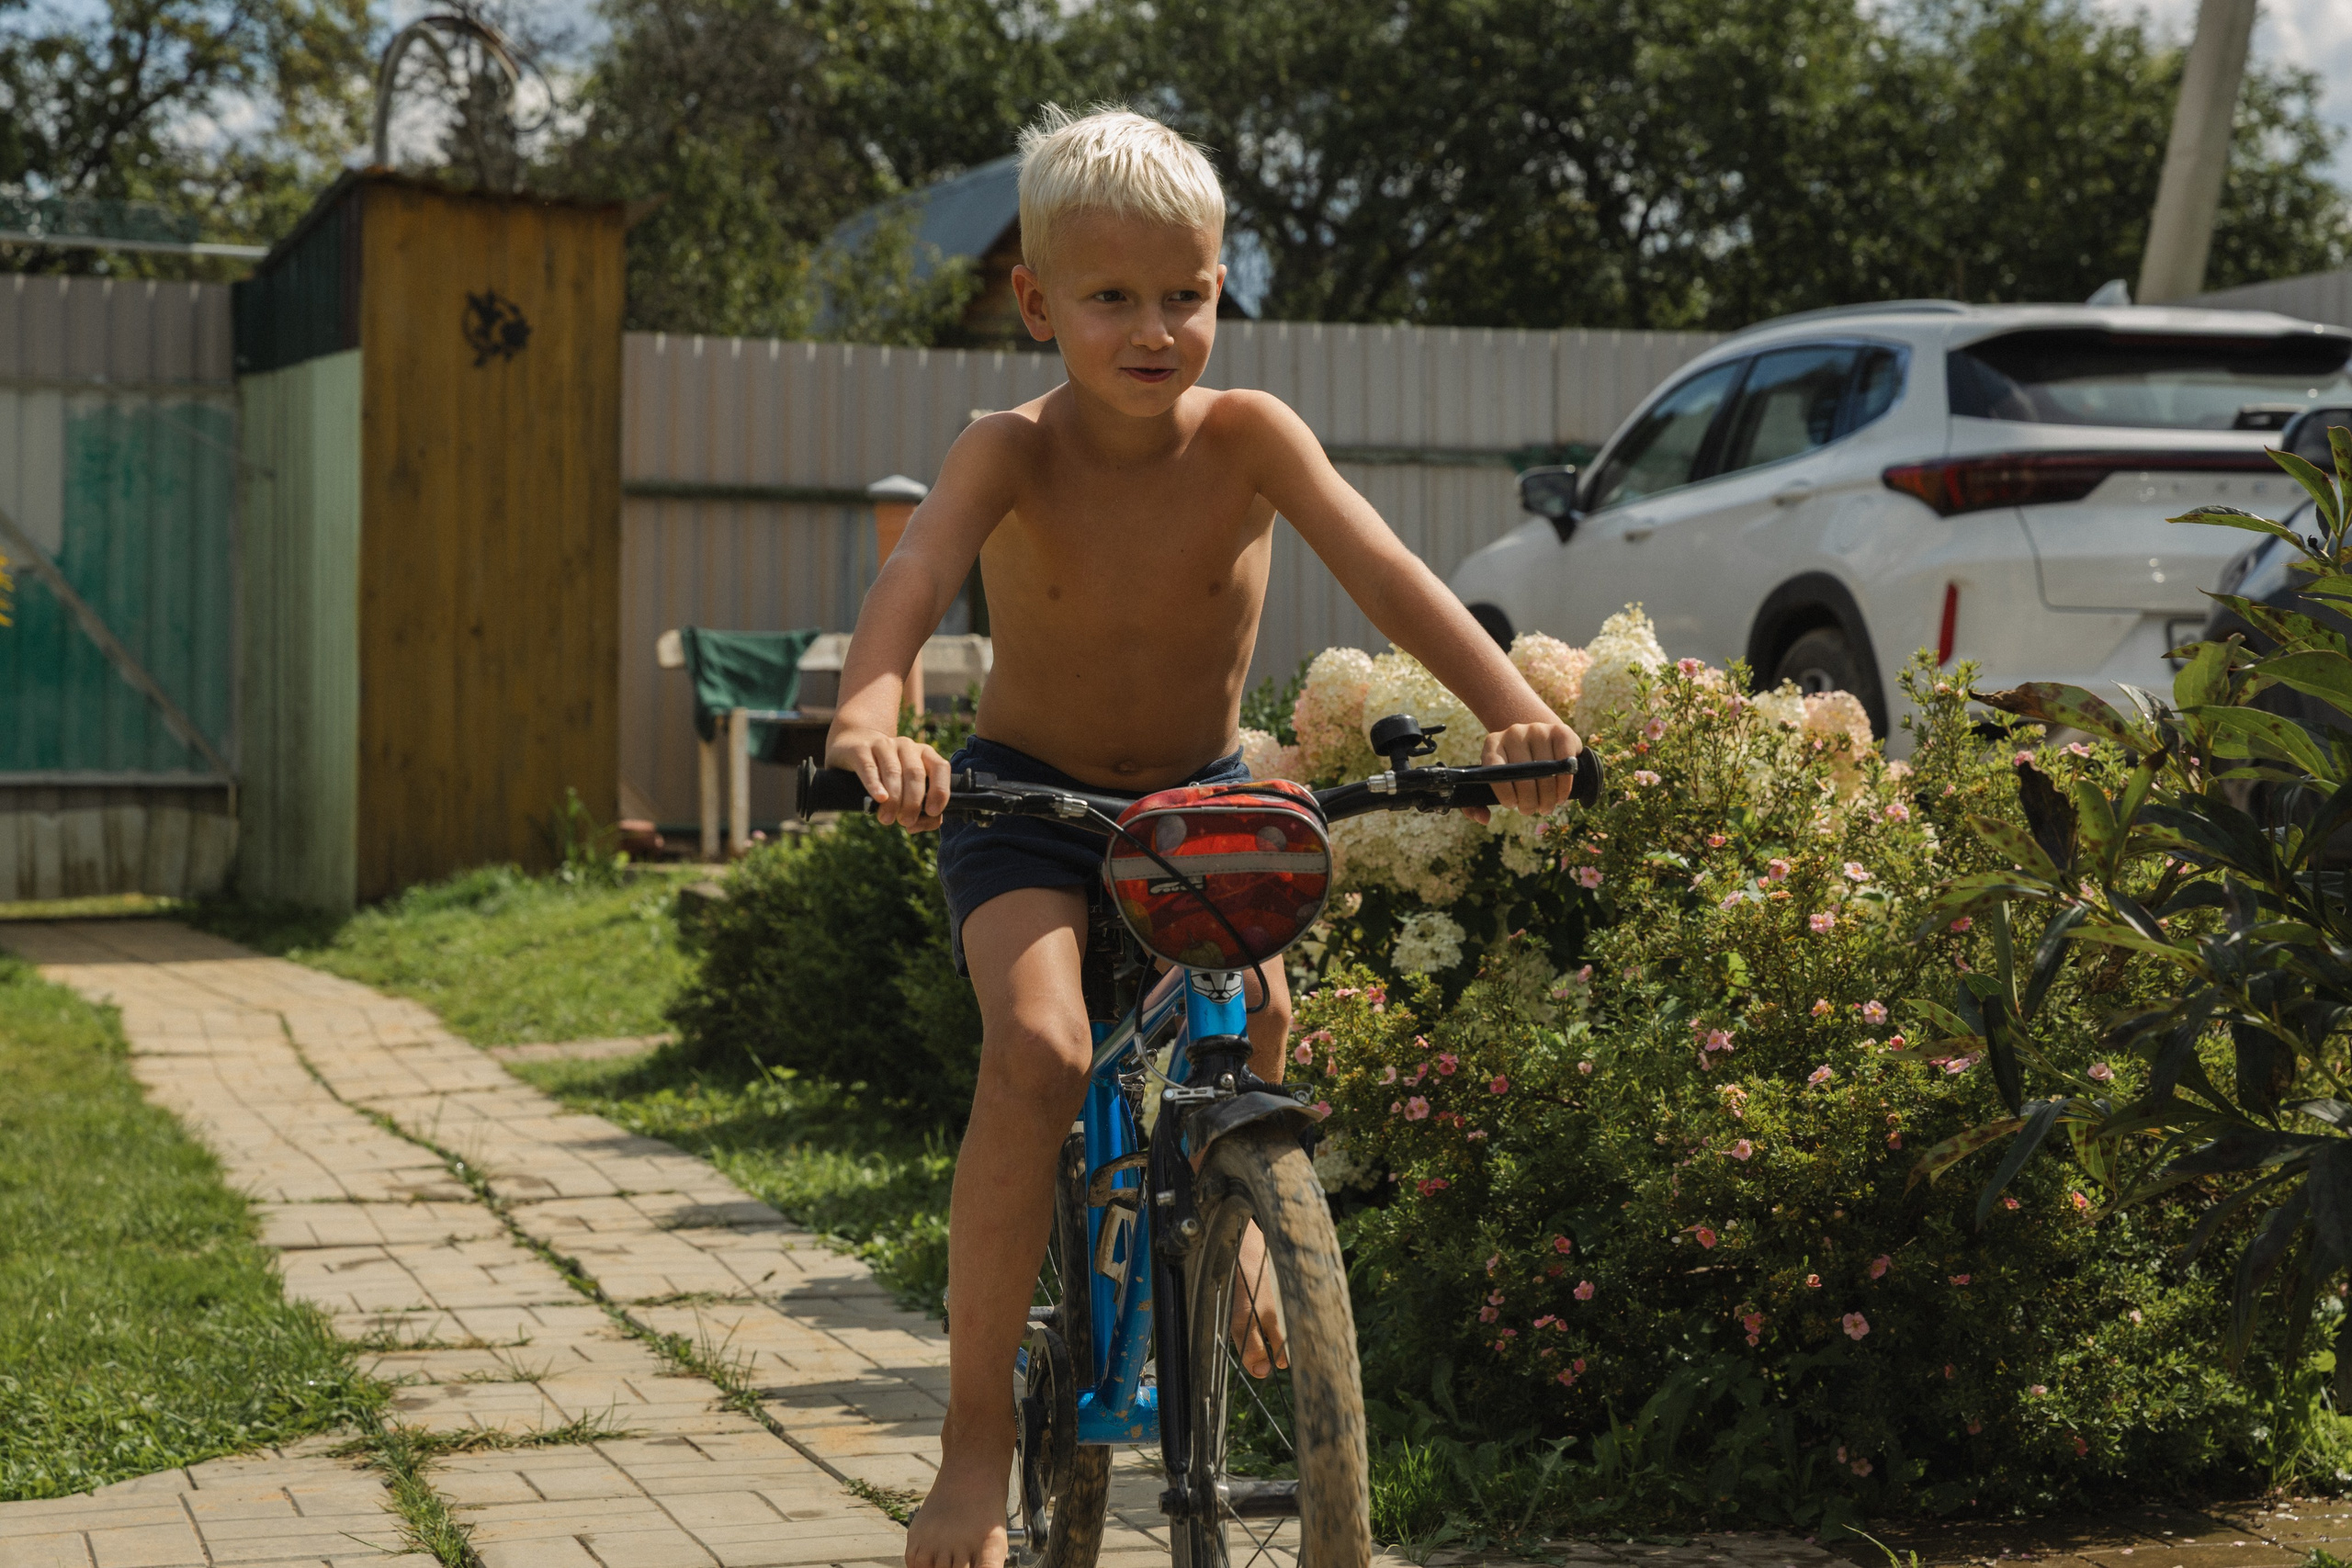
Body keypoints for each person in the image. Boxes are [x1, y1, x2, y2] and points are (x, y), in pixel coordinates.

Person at [822, 104, 1583, 1568]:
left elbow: (1389, 570)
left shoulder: (1251, 437)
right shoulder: (1009, 451)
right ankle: (975, 1441)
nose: (1156, 327)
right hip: (1025, 810)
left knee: (1264, 1010)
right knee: (1041, 1051)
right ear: (1038, 303)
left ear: (1222, 285)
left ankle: (1244, 1226)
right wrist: (870, 719)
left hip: (1193, 798)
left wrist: (1510, 715)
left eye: (1189, 292)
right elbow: (913, 580)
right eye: (1112, 298)